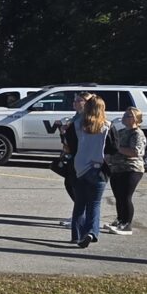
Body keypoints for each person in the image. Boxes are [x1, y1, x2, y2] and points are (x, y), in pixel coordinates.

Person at [69, 95, 112, 247]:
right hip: (98, 168)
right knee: (94, 204)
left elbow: (71, 146)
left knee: (80, 203)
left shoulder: (76, 125)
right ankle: (91, 232)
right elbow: (113, 148)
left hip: (80, 167)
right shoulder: (107, 126)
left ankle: (76, 235)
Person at [107, 106, 146, 235]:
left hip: (131, 168)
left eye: (128, 116)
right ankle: (120, 220)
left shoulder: (137, 133)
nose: (124, 117)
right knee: (118, 196)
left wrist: (117, 148)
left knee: (125, 196)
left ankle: (127, 224)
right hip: (116, 168)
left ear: (136, 119)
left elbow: (135, 152)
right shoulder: (121, 131)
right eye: (124, 115)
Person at [58, 92, 89, 227]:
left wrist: (67, 132)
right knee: (70, 184)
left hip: (81, 157)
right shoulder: (76, 117)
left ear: (86, 103)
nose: (74, 102)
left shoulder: (86, 119)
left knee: (78, 187)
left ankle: (82, 217)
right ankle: (79, 214)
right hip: (72, 155)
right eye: (75, 100)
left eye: (78, 100)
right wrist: (63, 132)